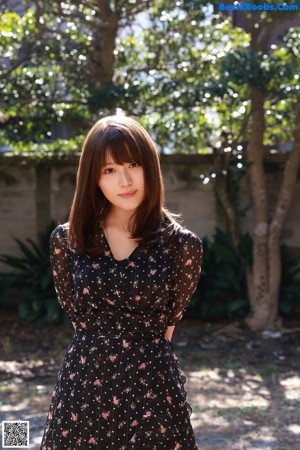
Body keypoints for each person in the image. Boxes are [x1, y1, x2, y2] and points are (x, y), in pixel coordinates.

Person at [40, 115, 203, 450]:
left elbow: (167, 328)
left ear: (150, 166)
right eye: (109, 169)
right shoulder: (66, 241)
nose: (125, 180)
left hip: (153, 393)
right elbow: (79, 321)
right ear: (93, 178)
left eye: (133, 164)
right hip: (83, 390)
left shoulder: (182, 246)